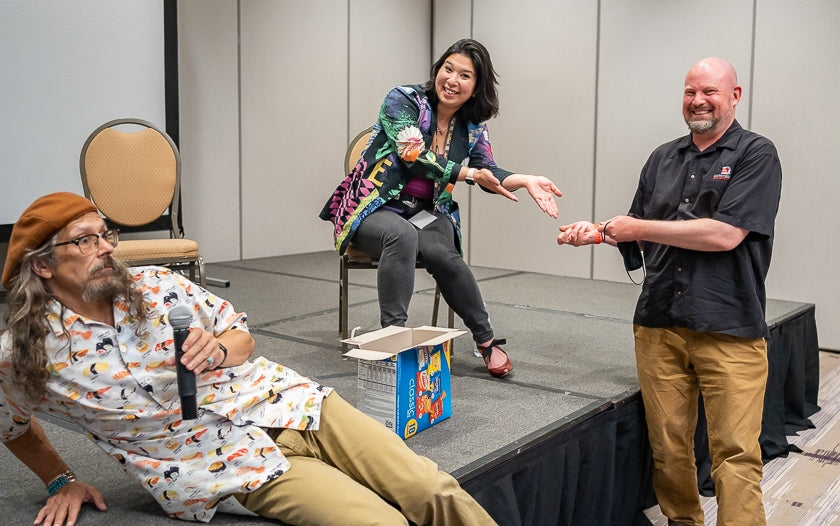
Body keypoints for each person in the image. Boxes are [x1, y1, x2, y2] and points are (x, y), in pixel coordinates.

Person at [0, 192, 498, 526]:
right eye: (85, 241)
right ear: (42, 265)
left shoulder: (155, 287)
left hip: (292, 406)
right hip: (226, 466)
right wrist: (61, 479)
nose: (106, 248)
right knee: (379, 522)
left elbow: (239, 335)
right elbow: (12, 425)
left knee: (434, 489)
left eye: (106, 235)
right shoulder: (28, 355)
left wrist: (216, 350)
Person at [556, 57, 782, 526]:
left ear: (734, 96)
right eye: (689, 91)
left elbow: (725, 235)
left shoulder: (756, 154)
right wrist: (598, 231)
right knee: (669, 450)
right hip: (659, 324)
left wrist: (636, 225)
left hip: (730, 327)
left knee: (736, 455)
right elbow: (643, 229)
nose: (698, 101)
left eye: (710, 92)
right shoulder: (662, 158)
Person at [320, 38, 563, 378]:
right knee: (401, 235)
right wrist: (466, 173)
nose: (452, 80)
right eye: (448, 69)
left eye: (465, 75)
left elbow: (487, 171)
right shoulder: (402, 100)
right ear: (438, 70)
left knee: (444, 253)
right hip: (375, 205)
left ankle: (486, 340)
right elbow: (412, 153)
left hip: (427, 209)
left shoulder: (473, 125)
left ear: (476, 88)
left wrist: (523, 179)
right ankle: (394, 338)